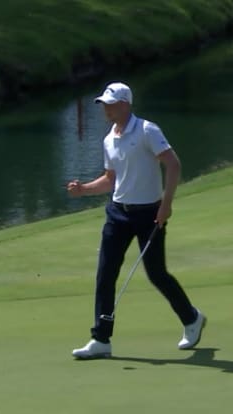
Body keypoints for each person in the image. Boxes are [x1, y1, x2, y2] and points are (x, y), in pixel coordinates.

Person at [67, 82, 206, 359]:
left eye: (110, 104)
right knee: (105, 274)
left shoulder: (146, 130)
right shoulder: (109, 138)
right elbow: (110, 179)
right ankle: (101, 339)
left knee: (156, 274)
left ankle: (192, 318)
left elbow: (173, 164)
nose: (105, 109)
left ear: (125, 104)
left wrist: (166, 204)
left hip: (149, 214)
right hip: (118, 213)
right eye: (103, 104)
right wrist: (84, 190)